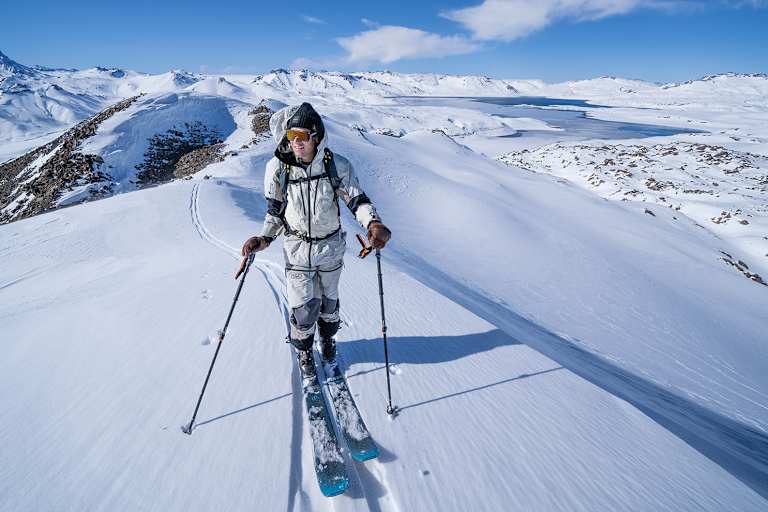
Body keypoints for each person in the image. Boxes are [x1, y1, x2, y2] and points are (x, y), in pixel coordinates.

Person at [241, 102, 391, 375]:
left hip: (330, 247)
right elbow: (274, 214)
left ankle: (328, 340)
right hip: (297, 248)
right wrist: (262, 239)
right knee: (303, 309)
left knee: (329, 303)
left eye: (302, 136)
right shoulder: (278, 169)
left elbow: (356, 200)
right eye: (291, 136)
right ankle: (305, 352)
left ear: (316, 137)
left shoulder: (337, 166)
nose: (296, 142)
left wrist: (373, 222)